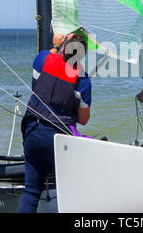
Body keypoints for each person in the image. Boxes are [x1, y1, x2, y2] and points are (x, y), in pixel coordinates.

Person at [18, 33, 91, 213]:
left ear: (65, 45)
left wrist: (56, 46)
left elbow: (37, 85)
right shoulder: (83, 79)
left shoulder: (43, 58)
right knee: (74, 189)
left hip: (32, 132)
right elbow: (83, 120)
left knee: (32, 192)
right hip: (58, 141)